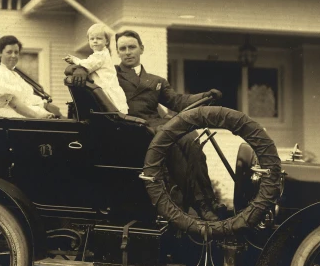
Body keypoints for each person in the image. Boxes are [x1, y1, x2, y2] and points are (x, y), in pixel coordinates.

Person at [70, 29, 222, 220]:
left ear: (141, 48)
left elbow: (177, 101)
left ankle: (208, 202)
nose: (127, 52)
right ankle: (200, 205)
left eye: (132, 47)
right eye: (122, 48)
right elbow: (88, 65)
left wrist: (205, 96)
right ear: (117, 52)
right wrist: (80, 69)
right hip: (131, 130)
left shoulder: (156, 81)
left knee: (192, 139)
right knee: (173, 144)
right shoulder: (110, 73)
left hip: (158, 126)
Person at [64, 23, 129, 114]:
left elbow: (89, 64)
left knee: (111, 110)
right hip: (105, 88)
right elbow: (89, 61)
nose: (95, 41)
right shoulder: (98, 55)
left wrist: (74, 60)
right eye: (92, 39)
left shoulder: (101, 55)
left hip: (107, 89)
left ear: (106, 42)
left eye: (99, 38)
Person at [0, 35, 55, 119]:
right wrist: (38, 116)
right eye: (9, 52)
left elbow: (28, 98)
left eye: (16, 52)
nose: (13, 56)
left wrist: (45, 105)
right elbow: (13, 103)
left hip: (27, 114)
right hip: (12, 118)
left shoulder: (16, 75)